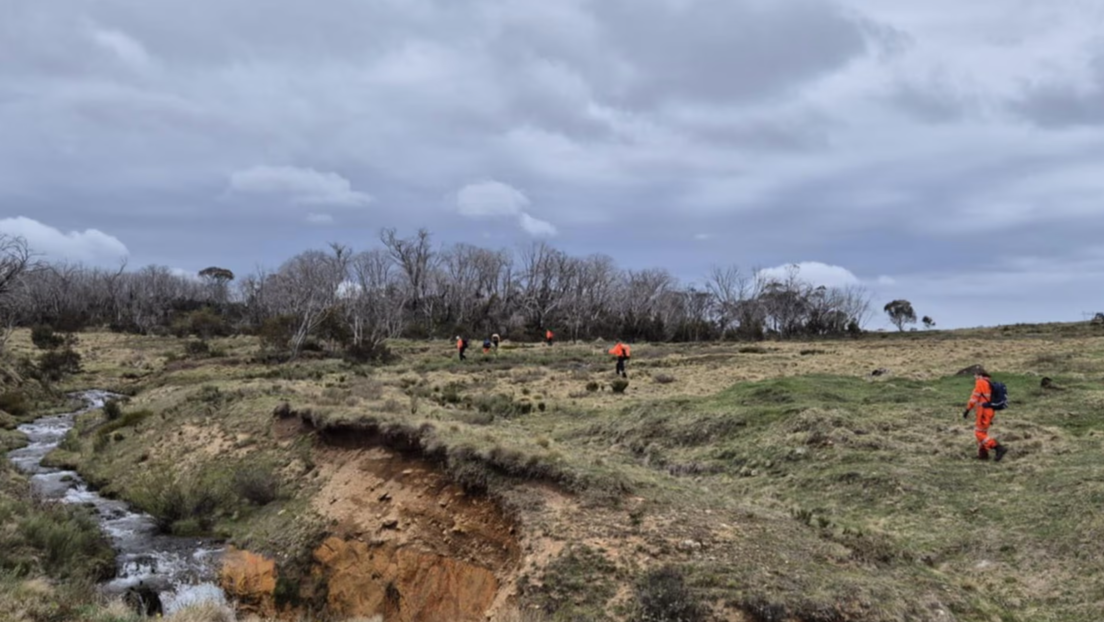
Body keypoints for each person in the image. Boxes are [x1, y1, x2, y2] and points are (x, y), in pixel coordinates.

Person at [963, 367, 1008, 461]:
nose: (974, 377)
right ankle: (983, 454)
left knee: (978, 433)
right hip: (989, 411)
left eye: (975, 375)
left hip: (983, 412)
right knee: (983, 433)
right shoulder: (988, 383)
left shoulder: (980, 382)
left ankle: (997, 447)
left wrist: (968, 409)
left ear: (979, 375)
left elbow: (974, 397)